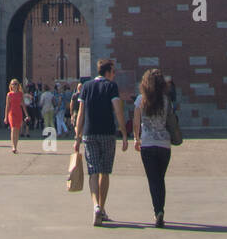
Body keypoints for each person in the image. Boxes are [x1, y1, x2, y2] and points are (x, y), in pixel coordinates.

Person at [74, 59, 128, 225]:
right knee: (104, 171)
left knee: (93, 171)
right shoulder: (111, 86)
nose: (114, 74)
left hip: (89, 134)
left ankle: (96, 205)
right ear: (108, 72)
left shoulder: (86, 86)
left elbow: (80, 114)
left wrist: (77, 137)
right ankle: (101, 209)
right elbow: (118, 111)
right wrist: (124, 133)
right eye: (113, 71)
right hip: (106, 133)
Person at [133, 67, 173, 227]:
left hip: (148, 143)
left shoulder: (140, 100)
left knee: (153, 179)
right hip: (164, 144)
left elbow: (136, 122)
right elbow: (170, 120)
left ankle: (157, 210)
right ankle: (160, 209)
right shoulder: (166, 100)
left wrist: (136, 138)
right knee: (160, 179)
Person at [4, 78, 28, 153]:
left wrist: (26, 115)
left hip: (19, 112)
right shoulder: (9, 94)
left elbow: (23, 105)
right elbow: (7, 106)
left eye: (15, 84)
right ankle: (13, 147)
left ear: (18, 85)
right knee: (13, 129)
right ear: (10, 85)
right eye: (13, 84)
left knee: (17, 130)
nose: (14, 85)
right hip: (11, 113)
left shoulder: (20, 94)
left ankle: (16, 146)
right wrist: (5, 117)